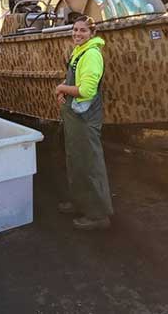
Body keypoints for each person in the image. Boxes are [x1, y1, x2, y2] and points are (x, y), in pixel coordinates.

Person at [55, 15, 113, 231]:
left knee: (90, 164)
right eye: (75, 30)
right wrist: (65, 88)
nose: (77, 34)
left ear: (92, 33)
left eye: (83, 31)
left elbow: (87, 90)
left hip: (85, 118)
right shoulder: (78, 52)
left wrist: (61, 90)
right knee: (76, 160)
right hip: (75, 116)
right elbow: (76, 81)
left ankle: (98, 215)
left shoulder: (91, 55)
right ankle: (80, 202)